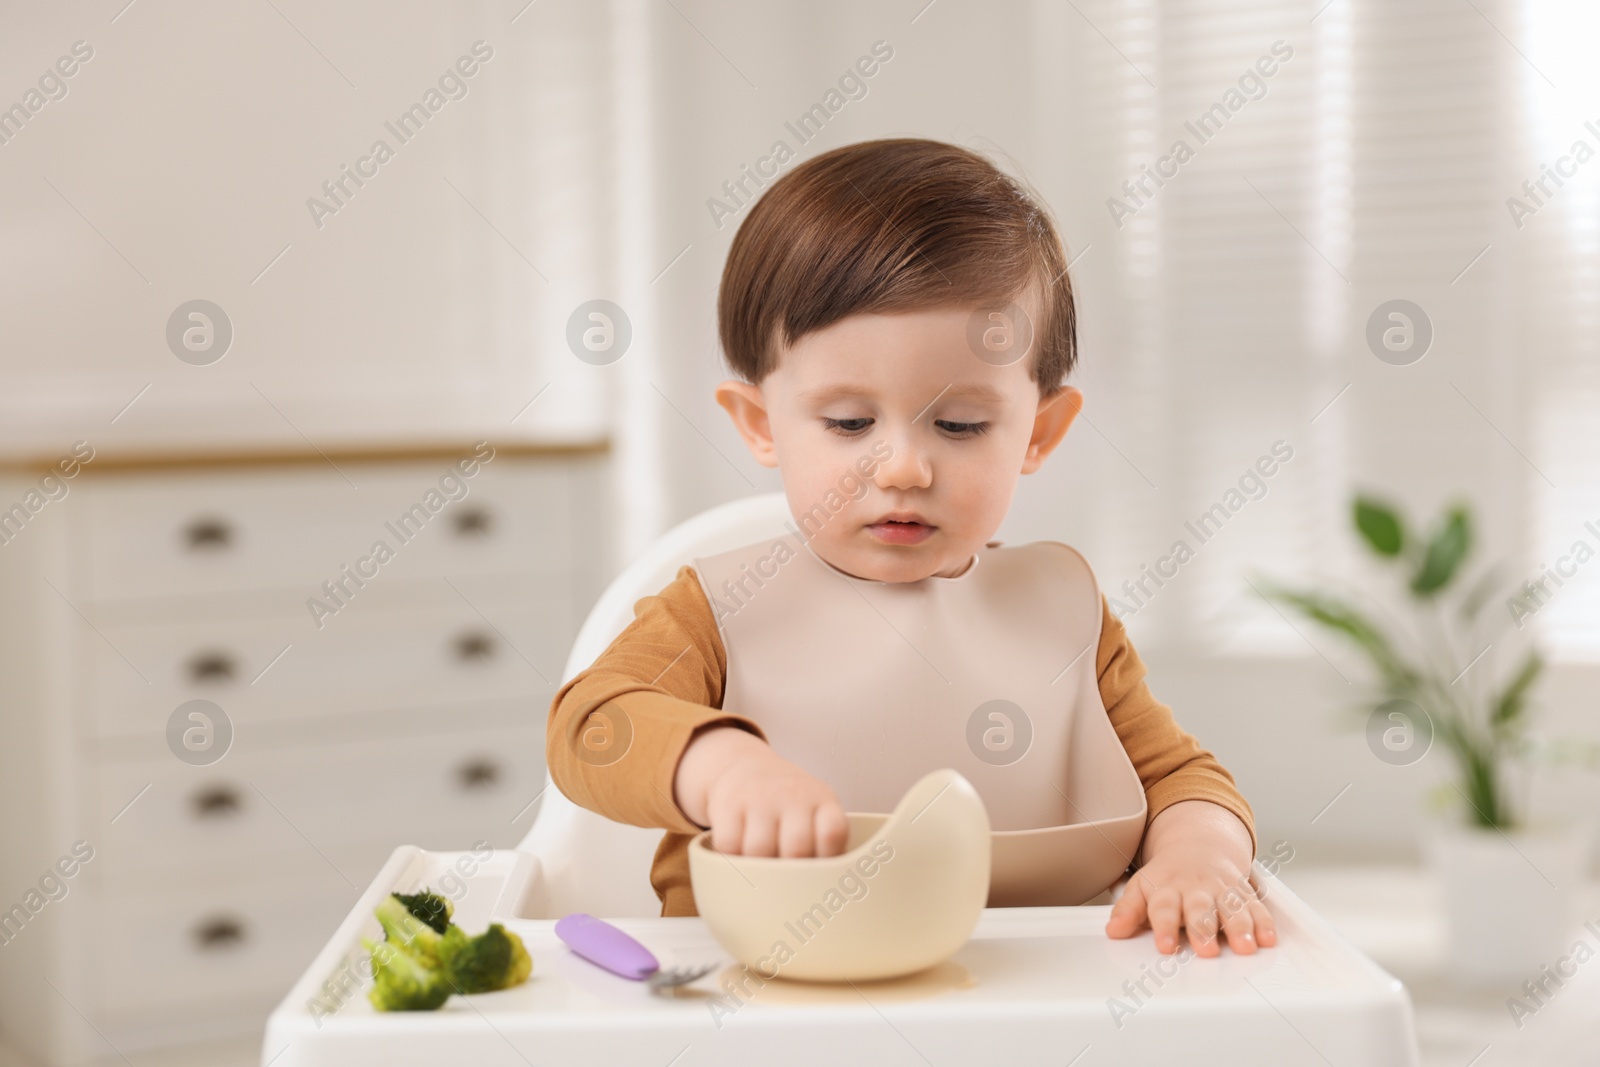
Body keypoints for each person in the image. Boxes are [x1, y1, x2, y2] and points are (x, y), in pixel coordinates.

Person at [548, 137, 1276, 958]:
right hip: (763, 999)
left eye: (961, 424)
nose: (903, 465)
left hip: (1032, 997)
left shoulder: (1065, 614)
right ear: (761, 424)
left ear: (1038, 432)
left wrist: (1197, 854)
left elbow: (1181, 778)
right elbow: (591, 726)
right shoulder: (719, 609)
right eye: (850, 422)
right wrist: (723, 769)